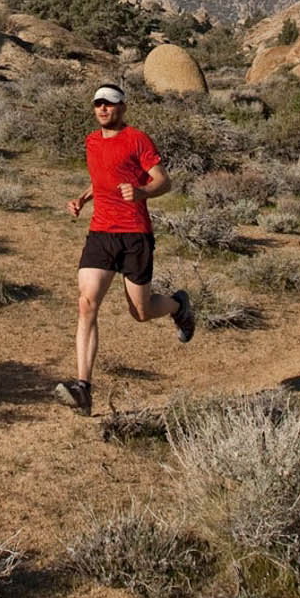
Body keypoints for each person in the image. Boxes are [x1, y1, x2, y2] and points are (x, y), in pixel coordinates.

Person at [55, 84, 192, 414]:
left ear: (122, 108)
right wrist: (82, 199)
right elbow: (102, 177)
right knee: (86, 303)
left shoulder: (137, 139)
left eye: (110, 103)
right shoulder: (91, 141)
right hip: (101, 232)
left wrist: (143, 192)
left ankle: (178, 306)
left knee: (140, 312)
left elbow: (164, 180)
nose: (103, 109)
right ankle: (83, 388)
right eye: (98, 104)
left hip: (134, 234)